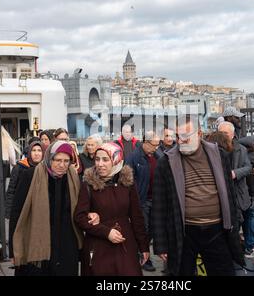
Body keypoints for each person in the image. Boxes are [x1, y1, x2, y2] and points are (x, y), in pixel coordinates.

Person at [152, 115, 240, 276]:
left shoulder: (219, 156)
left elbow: (230, 195)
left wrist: (235, 227)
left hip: (217, 230)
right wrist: (161, 244)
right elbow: (159, 206)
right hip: (183, 233)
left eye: (185, 137)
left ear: (199, 134)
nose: (179, 141)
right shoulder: (166, 163)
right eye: (177, 136)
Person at [10, 140, 95, 276]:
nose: (62, 165)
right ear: (49, 157)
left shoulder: (74, 178)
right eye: (57, 160)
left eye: (66, 161)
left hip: (67, 245)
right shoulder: (30, 176)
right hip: (37, 243)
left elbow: (82, 207)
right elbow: (17, 213)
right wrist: (13, 250)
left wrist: (92, 214)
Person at [75, 142, 150, 276]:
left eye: (105, 159)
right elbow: (80, 217)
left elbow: (136, 216)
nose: (100, 164)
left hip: (125, 245)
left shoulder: (127, 182)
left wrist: (143, 246)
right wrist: (106, 232)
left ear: (116, 160)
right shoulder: (88, 184)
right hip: (98, 247)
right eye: (97, 159)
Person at [125, 130, 161, 272]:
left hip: (156, 199)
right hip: (142, 200)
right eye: (154, 145)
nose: (156, 147)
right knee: (143, 229)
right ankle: (144, 257)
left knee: (153, 229)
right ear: (145, 143)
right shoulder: (133, 157)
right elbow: (127, 180)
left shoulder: (158, 156)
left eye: (158, 145)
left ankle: (143, 253)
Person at [5, 141, 44, 219]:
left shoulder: (45, 168)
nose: (36, 153)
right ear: (29, 152)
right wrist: (9, 212)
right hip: (21, 209)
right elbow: (11, 190)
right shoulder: (19, 167)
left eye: (39, 150)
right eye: (34, 150)